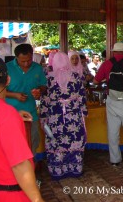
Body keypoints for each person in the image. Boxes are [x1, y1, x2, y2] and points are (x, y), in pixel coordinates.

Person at [0, 56, 44, 202]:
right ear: (8, 80)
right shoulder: (5, 114)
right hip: (8, 194)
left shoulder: (5, 115)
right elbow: (20, 165)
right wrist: (37, 199)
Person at [93, 42, 123, 169]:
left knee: (113, 132)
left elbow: (95, 81)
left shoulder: (107, 64)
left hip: (111, 101)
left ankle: (115, 160)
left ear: (113, 52)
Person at [39, 51, 87, 180]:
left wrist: (43, 117)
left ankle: (58, 170)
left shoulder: (48, 79)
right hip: (73, 115)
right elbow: (82, 97)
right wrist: (84, 112)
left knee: (55, 141)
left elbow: (45, 100)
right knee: (74, 140)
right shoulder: (76, 77)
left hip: (55, 116)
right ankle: (74, 168)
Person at [5, 43, 47, 155]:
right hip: (11, 112)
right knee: (12, 143)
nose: (26, 63)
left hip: (31, 112)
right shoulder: (7, 68)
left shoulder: (37, 68)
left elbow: (43, 85)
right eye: (22, 61)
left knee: (32, 140)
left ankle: (31, 165)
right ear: (16, 57)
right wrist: (15, 95)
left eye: (29, 60)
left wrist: (39, 91)